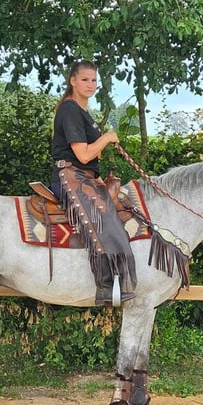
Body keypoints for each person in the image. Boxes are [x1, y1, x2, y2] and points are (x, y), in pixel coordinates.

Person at [50, 60, 137, 307]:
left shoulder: (84, 113)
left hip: (83, 179)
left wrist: (100, 181)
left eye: (94, 80)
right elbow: (84, 155)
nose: (90, 85)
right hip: (68, 178)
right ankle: (107, 287)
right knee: (102, 217)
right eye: (85, 79)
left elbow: (89, 163)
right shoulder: (70, 110)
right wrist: (107, 138)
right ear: (73, 81)